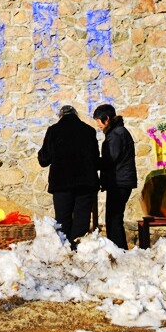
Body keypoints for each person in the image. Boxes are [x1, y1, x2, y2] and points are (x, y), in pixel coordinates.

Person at [37, 105, 100, 250]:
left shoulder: (53, 131)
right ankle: (78, 249)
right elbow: (95, 159)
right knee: (82, 218)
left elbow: (44, 159)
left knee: (63, 218)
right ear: (76, 115)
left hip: (61, 183)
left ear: (60, 116)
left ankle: (65, 250)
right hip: (85, 183)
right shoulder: (89, 131)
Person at [93, 104, 138, 250]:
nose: (98, 125)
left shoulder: (116, 134)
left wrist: (93, 161)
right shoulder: (117, 132)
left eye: (99, 121)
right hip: (121, 181)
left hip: (119, 182)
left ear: (106, 119)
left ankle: (119, 250)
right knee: (113, 217)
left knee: (114, 218)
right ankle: (117, 249)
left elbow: (110, 159)